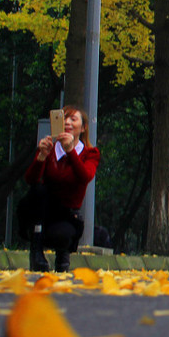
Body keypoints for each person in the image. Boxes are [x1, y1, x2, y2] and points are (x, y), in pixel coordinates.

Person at [21, 105, 101, 272]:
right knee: (38, 191)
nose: (67, 123)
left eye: (73, 119)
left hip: (67, 214)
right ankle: (36, 251)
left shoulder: (90, 153)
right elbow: (31, 180)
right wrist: (41, 156)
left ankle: (63, 255)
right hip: (43, 212)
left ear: (83, 127)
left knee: (62, 235)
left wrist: (70, 150)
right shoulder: (49, 148)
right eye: (64, 118)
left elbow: (85, 176)